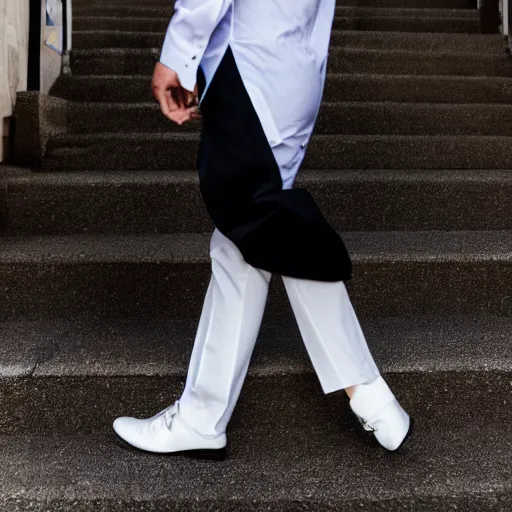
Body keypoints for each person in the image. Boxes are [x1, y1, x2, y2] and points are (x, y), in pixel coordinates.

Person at [113, 0, 412, 460]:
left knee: (261, 222)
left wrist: (180, 52)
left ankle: (366, 389)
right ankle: (202, 416)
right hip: (292, 63)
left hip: (252, 64)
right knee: (243, 242)